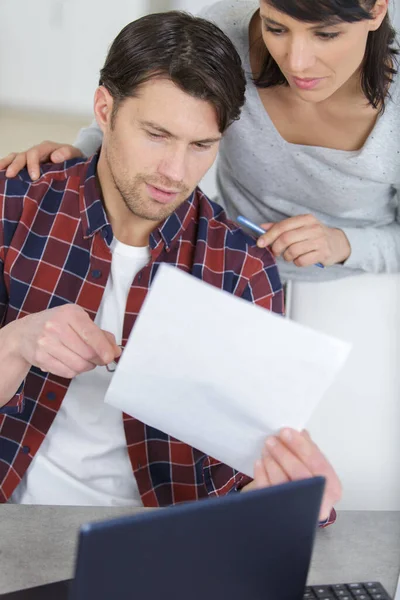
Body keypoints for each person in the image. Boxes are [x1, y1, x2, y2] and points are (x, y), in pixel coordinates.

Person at [0, 11, 340, 522]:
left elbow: (236, 483)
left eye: (201, 145)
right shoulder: (14, 201)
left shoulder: (242, 271)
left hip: (160, 546)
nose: (175, 173)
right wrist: (15, 344)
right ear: (104, 109)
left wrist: (294, 500)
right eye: (157, 135)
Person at [2, 0, 399, 279]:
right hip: (234, 262)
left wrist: (344, 245)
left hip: (357, 280)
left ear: (377, 9)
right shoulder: (227, 30)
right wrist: (79, 156)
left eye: (326, 34)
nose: (295, 61)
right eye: (276, 27)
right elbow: (147, 100)